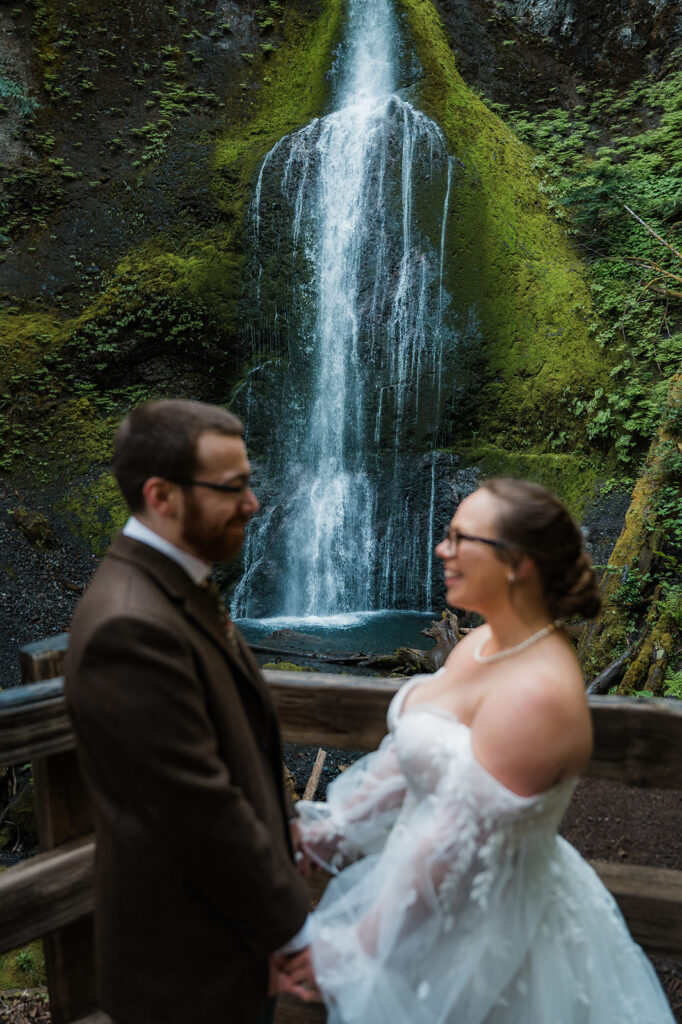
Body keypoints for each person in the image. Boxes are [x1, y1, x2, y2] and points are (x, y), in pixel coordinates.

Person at [283, 478, 675, 1022]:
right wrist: (330, 831)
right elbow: (410, 759)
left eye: (460, 538)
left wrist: (352, 948)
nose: (442, 549)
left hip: (486, 940)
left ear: (519, 563)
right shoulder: (480, 643)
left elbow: (454, 845)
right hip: (410, 901)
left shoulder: (538, 694)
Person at [65, 399, 312, 1024]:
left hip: (219, 944)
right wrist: (293, 931)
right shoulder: (129, 626)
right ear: (162, 496)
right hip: (183, 969)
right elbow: (197, 811)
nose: (253, 504)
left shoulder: (173, 585)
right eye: (233, 488)